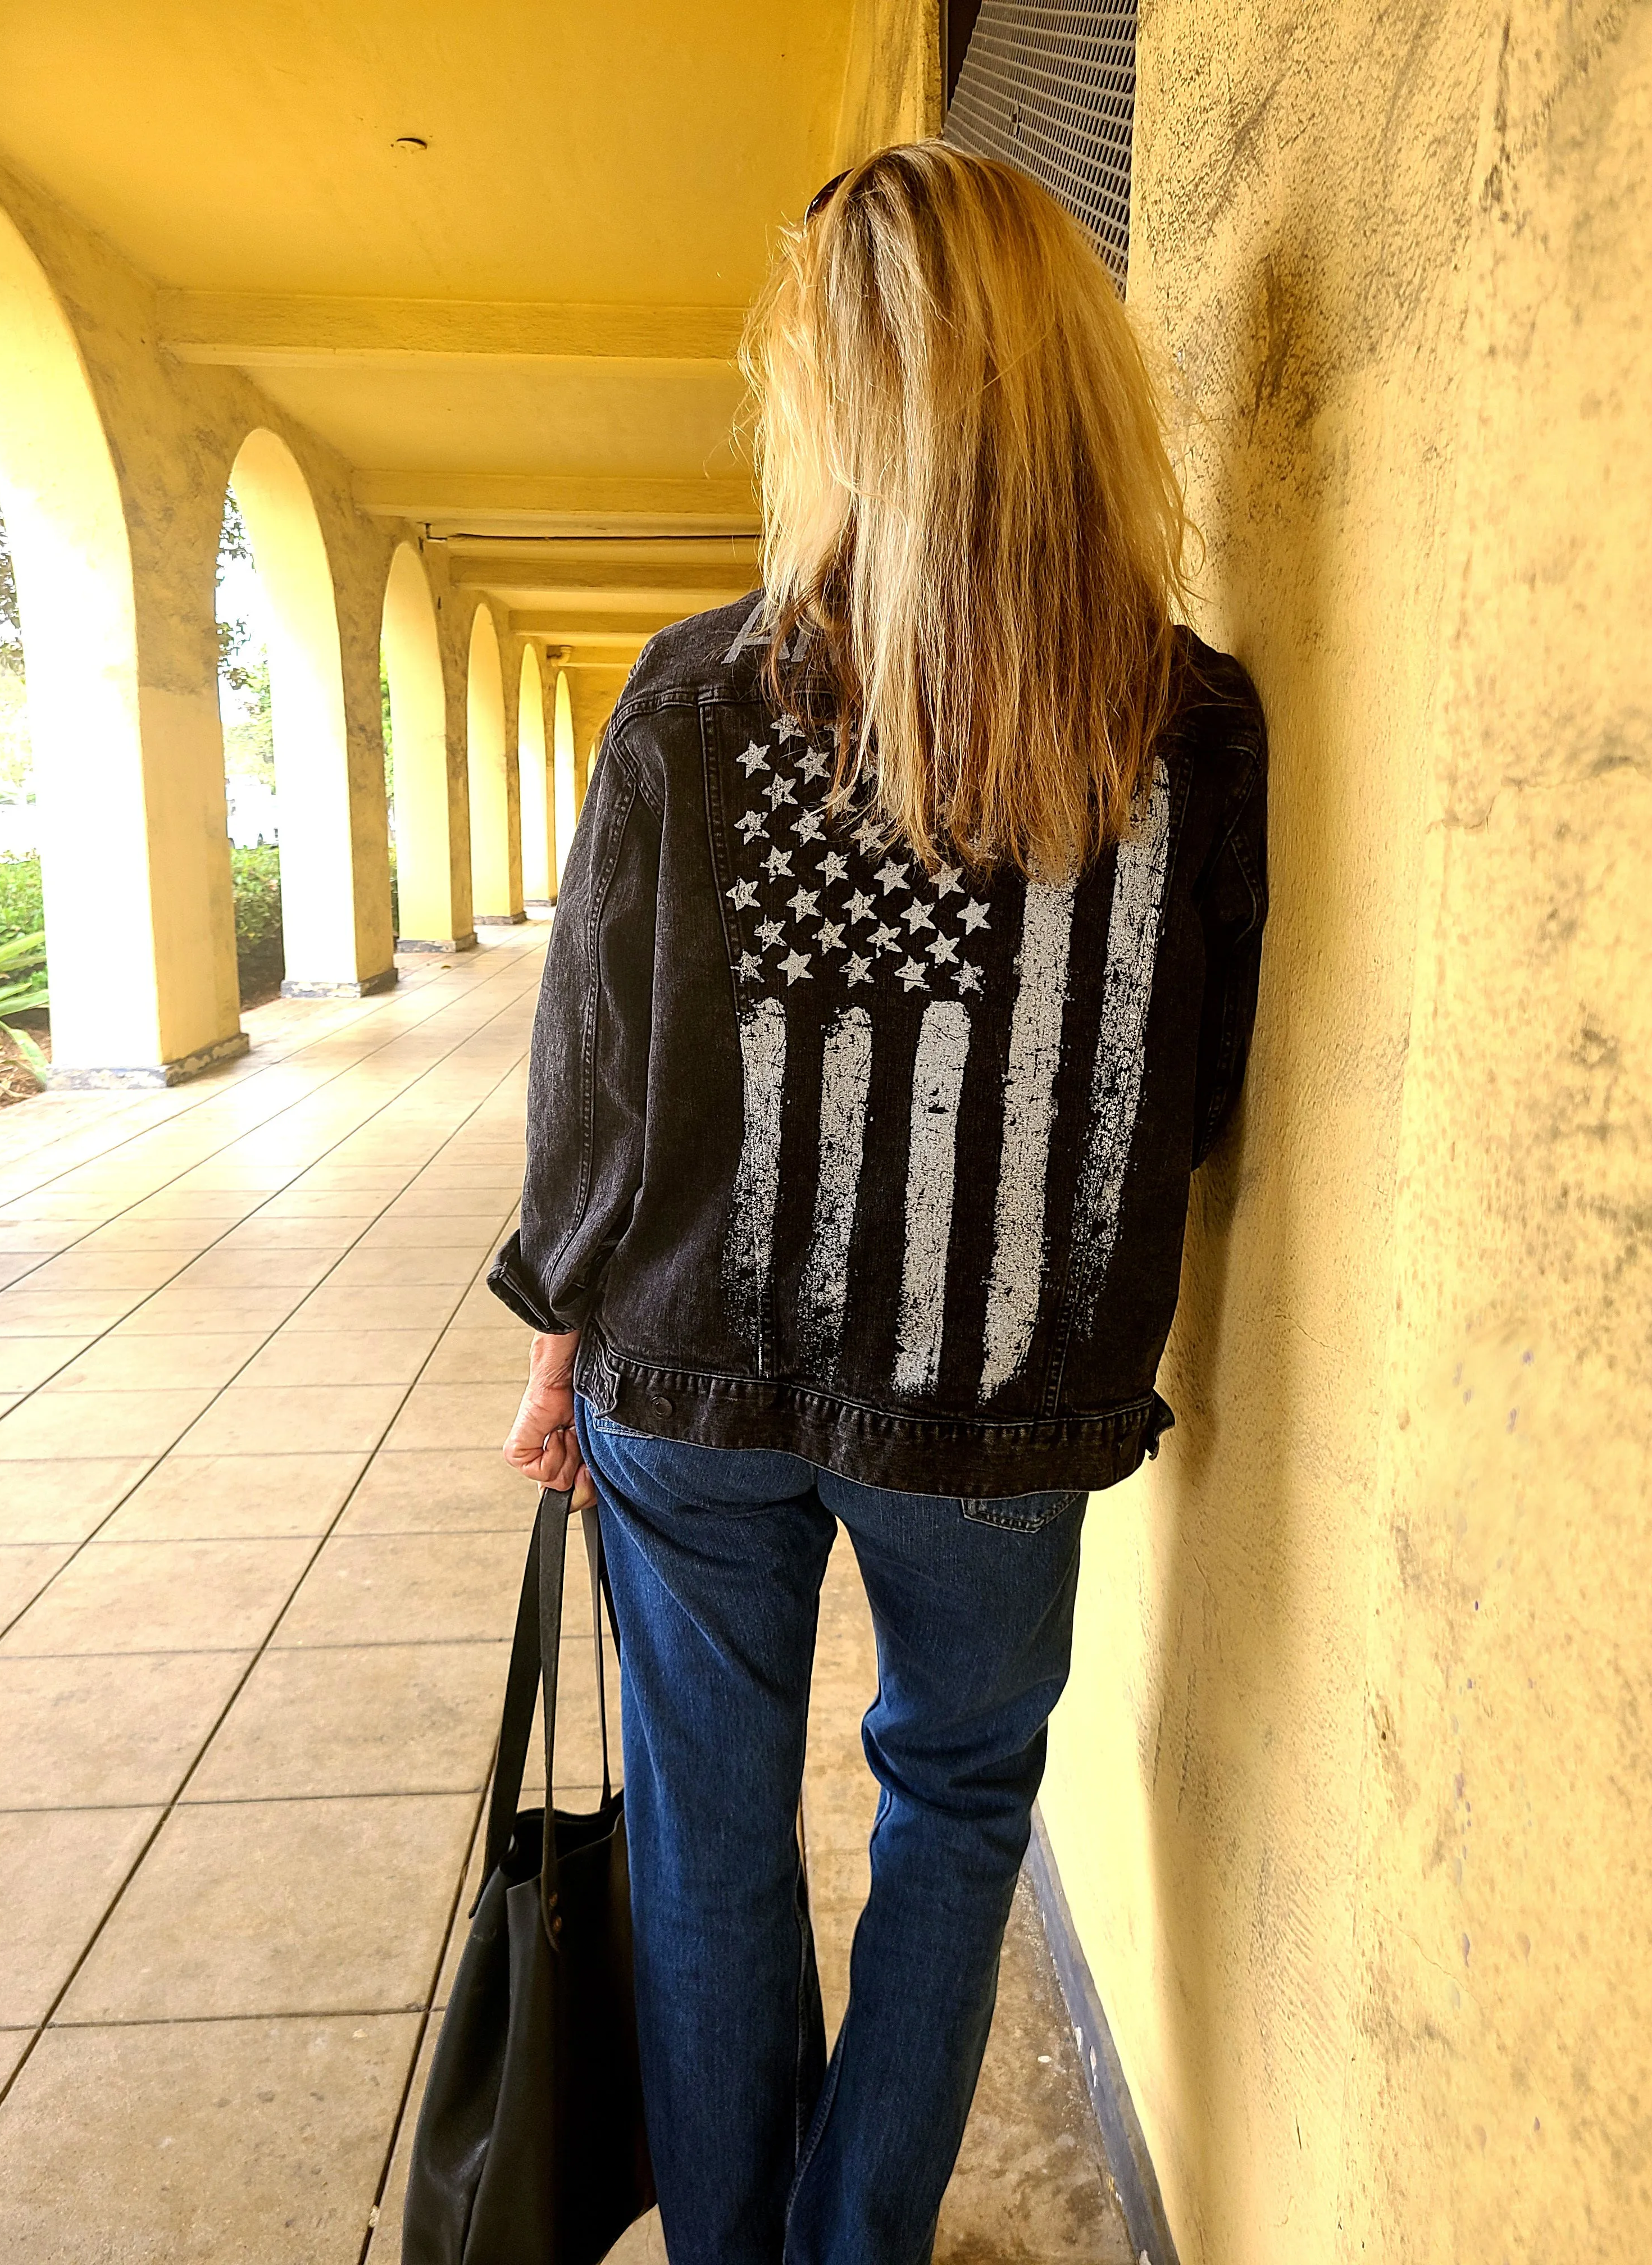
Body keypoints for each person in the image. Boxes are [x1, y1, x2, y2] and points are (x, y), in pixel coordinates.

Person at [491, 142, 1267, 2265]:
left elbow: (603, 1107)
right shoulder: (1189, 726)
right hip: (1011, 1402)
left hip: (694, 1377)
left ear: (836, 393)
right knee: (955, 1810)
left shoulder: (695, 695)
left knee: (711, 1843)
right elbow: (1191, 1105)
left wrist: (565, 1332)